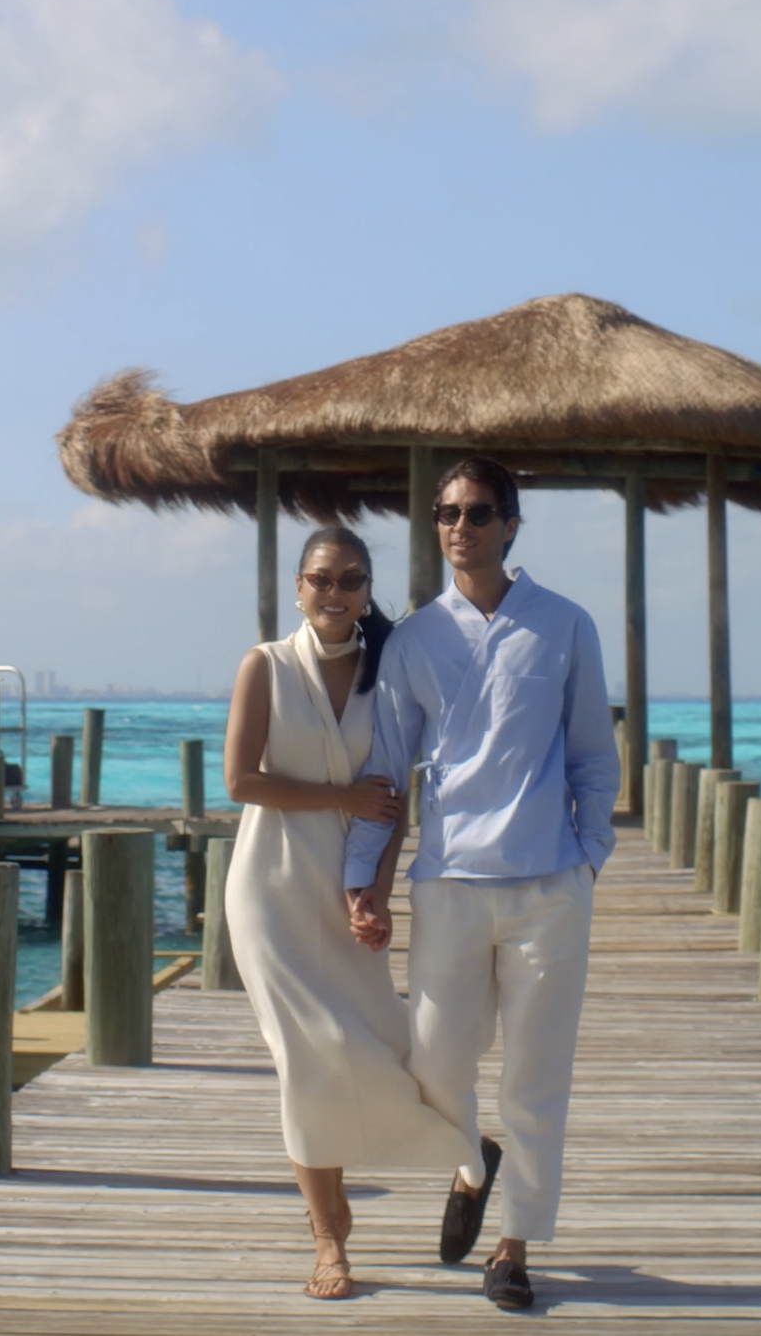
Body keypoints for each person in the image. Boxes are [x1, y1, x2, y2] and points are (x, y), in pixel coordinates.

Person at [343, 457, 618, 1311]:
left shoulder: (565, 625)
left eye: (479, 511)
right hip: (449, 880)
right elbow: (388, 768)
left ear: (511, 524)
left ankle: (514, 1247)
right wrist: (364, 880)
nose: (460, 525)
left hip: (548, 885)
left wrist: (589, 853)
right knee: (437, 1064)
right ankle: (472, 1163)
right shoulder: (416, 637)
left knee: (536, 1077)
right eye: (447, 512)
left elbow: (592, 756)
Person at [221, 527, 478, 1301]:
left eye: (351, 581)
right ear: (297, 587)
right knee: (305, 1061)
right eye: (321, 580)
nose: (334, 595)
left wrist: (375, 891)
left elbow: (392, 802)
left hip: (346, 888)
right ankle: (329, 1237)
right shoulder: (263, 665)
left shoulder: (387, 671)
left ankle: (466, 1150)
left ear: (368, 592)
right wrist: (339, 798)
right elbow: (241, 780)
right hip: (269, 888)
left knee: (383, 1044)